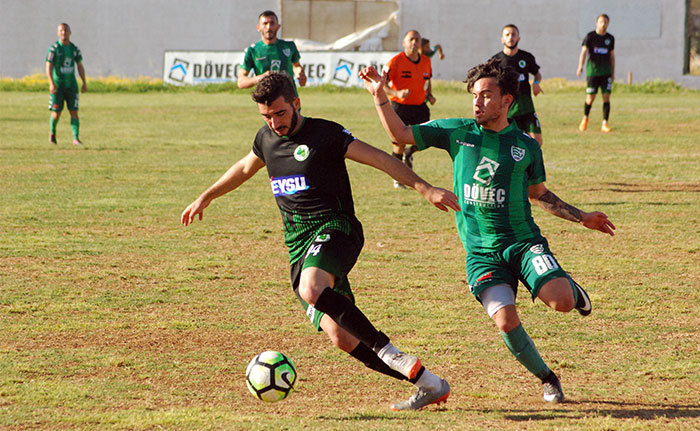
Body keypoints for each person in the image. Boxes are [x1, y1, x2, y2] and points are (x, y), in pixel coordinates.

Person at [181, 72, 459, 410]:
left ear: (296, 103)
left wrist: (425, 188)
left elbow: (381, 159)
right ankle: (428, 383)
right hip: (299, 247)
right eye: (266, 116)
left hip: (337, 228)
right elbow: (243, 168)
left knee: (311, 288)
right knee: (342, 337)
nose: (274, 122)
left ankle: (391, 352)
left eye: (280, 113)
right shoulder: (266, 139)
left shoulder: (326, 133)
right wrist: (206, 196)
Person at [360, 59, 615, 403]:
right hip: (481, 253)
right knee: (506, 321)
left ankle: (569, 286)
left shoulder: (526, 147)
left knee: (563, 302)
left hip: (523, 244)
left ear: (507, 100)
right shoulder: (458, 132)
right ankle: (548, 378)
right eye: (474, 96)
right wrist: (380, 94)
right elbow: (400, 135)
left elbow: (539, 195)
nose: (476, 102)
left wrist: (582, 216)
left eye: (485, 95)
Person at [383, 29, 435, 188]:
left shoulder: (426, 61)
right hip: (400, 108)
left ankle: (409, 153)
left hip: (420, 106)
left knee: (428, 138)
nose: (414, 42)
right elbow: (383, 85)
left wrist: (429, 94)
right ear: (404, 42)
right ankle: (398, 178)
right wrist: (396, 92)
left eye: (417, 40)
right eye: (411, 39)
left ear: (421, 43)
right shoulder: (395, 62)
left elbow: (427, 80)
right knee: (398, 143)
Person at [491, 24, 544, 147]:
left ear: (518, 38)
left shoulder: (526, 57)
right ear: (502, 39)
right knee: (509, 143)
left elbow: (537, 74)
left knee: (537, 141)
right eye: (507, 35)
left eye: (513, 34)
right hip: (508, 110)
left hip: (527, 108)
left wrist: (536, 83)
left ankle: (528, 164)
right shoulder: (496, 61)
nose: (511, 37)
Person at [237, 10, 306, 95]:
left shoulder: (289, 46)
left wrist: (300, 74)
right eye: (265, 24)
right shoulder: (252, 51)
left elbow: (296, 65)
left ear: (278, 26)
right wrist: (262, 77)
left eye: (272, 23)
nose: (269, 27)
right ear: (258, 27)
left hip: (290, 99)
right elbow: (241, 82)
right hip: (266, 100)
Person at [46, 23, 87, 146]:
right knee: (56, 113)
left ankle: (75, 138)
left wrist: (84, 82)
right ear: (58, 33)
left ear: (70, 32)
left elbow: (80, 65)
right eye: (61, 30)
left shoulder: (74, 49)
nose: (64, 32)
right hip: (58, 86)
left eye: (66, 30)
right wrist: (51, 83)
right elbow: (49, 65)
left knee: (74, 111)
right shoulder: (54, 49)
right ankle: (52, 134)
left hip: (71, 86)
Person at [576, 14, 615, 133]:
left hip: (606, 72)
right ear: (597, 23)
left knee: (606, 97)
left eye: (606, 22)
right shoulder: (590, 36)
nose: (604, 24)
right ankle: (585, 118)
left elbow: (612, 57)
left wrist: (613, 73)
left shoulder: (610, 38)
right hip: (593, 72)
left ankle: (605, 124)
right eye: (601, 22)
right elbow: (583, 52)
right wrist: (580, 66)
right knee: (590, 98)